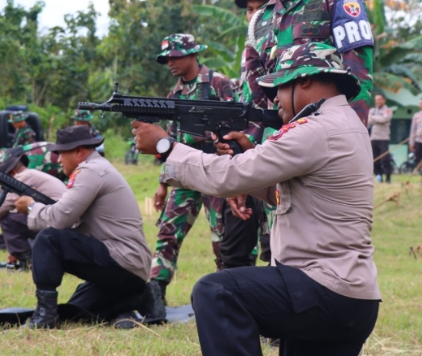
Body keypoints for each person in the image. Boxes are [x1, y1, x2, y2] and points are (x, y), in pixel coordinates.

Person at [132, 42, 381, 356]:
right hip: (351, 298)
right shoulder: (346, 126)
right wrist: (249, 167)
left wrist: (166, 147)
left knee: (216, 291)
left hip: (322, 291)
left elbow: (229, 175)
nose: (275, 98)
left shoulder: (314, 129)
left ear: (304, 80)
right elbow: (293, 194)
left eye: (280, 86)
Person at [13, 126, 164, 328]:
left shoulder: (89, 171)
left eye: (61, 153)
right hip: (129, 267)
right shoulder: (97, 168)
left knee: (49, 238)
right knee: (78, 309)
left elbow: (58, 220)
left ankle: (45, 316)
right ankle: (138, 299)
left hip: (122, 261)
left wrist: (31, 206)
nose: (58, 159)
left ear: (78, 152)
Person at [238, 0, 373, 131]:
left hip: (326, 140)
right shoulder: (260, 21)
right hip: (275, 149)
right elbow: (254, 95)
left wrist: (350, 138)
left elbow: (359, 78)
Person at [150, 33, 234, 305]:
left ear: (193, 55)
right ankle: (155, 294)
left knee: (222, 235)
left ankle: (230, 292)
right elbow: (171, 142)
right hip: (184, 172)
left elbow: (238, 125)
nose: (171, 63)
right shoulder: (174, 94)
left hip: (216, 168)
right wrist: (164, 182)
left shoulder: (219, 84)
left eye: (176, 57)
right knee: (167, 230)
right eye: (167, 59)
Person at [225, 0, 277, 267]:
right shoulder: (249, 54)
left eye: (262, 8)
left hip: (274, 155)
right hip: (247, 157)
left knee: (276, 245)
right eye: (250, 9)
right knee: (237, 243)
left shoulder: (283, 52)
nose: (255, 16)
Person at [0, 149, 66, 269]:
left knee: (8, 220)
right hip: (60, 219)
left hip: (57, 222)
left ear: (12, 172)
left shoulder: (22, 177)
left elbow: (5, 205)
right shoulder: (32, 174)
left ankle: (26, 259)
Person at [368, 94, 393, 183]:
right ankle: (379, 177)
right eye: (376, 100)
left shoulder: (388, 110)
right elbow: (369, 121)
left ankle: (388, 178)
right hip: (373, 138)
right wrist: (378, 119)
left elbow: (384, 119)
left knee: (385, 159)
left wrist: (374, 118)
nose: (377, 102)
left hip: (384, 138)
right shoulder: (372, 110)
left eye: (379, 100)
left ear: (384, 100)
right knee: (375, 159)